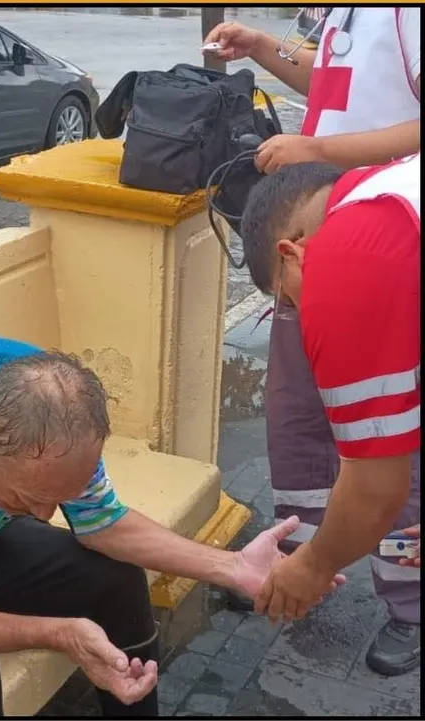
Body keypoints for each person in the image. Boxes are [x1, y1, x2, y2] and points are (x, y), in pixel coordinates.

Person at [0, 338, 347, 717]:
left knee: (115, 579)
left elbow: (102, 524)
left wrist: (233, 566)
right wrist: (60, 632)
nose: (48, 515)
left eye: (58, 497)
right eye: (34, 497)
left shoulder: (54, 403)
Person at [204, 8, 421, 674]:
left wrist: (318, 152)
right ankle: (297, 565)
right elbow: (338, 88)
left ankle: (409, 603)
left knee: (386, 447)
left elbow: (379, 479)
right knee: (299, 424)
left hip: (359, 244)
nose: (291, 312)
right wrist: (267, 47)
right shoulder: (340, 13)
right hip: (340, 222)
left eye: (287, 299)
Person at [237, 156, 420, 671]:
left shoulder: (348, 255)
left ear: (291, 252)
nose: (296, 314)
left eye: (288, 301)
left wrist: (314, 567)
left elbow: (376, 489)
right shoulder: (392, 191)